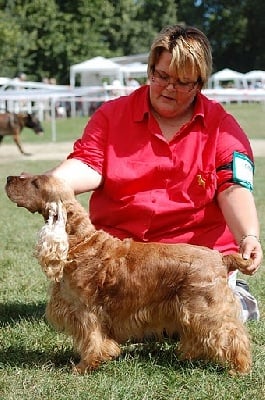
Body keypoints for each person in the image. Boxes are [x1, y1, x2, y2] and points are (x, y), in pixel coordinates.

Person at [42, 25, 262, 321]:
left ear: (199, 84)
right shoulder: (111, 115)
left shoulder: (223, 127)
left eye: (183, 82)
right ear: (151, 70)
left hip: (192, 267)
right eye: (162, 76)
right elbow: (88, 162)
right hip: (122, 266)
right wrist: (50, 184)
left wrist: (248, 235)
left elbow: (233, 186)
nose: (170, 88)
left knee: (215, 318)